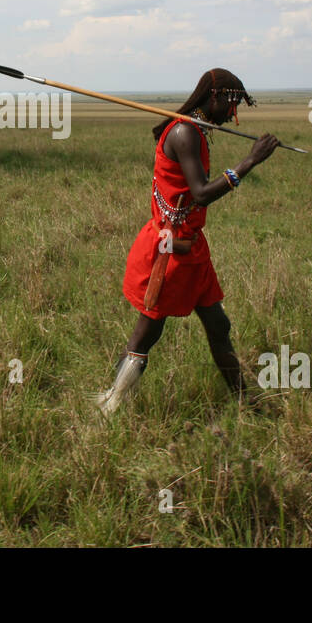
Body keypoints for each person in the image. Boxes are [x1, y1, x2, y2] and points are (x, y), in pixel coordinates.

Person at [96, 68, 279, 415]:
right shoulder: (184, 132)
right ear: (213, 97)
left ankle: (245, 402)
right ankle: (111, 404)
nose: (232, 112)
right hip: (170, 252)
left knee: (218, 325)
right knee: (146, 334)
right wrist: (250, 161)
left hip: (191, 248)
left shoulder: (194, 130)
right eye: (230, 102)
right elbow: (201, 194)